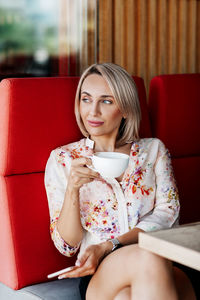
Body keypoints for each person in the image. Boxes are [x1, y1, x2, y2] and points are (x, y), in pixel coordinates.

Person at [45, 63, 196, 300]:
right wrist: (73, 188)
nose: (92, 111)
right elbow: (67, 246)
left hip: (157, 260)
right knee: (149, 257)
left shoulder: (153, 150)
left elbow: (169, 215)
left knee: (126, 295)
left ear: (125, 109)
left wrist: (110, 243)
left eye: (106, 101)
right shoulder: (64, 159)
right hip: (100, 271)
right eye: (86, 99)